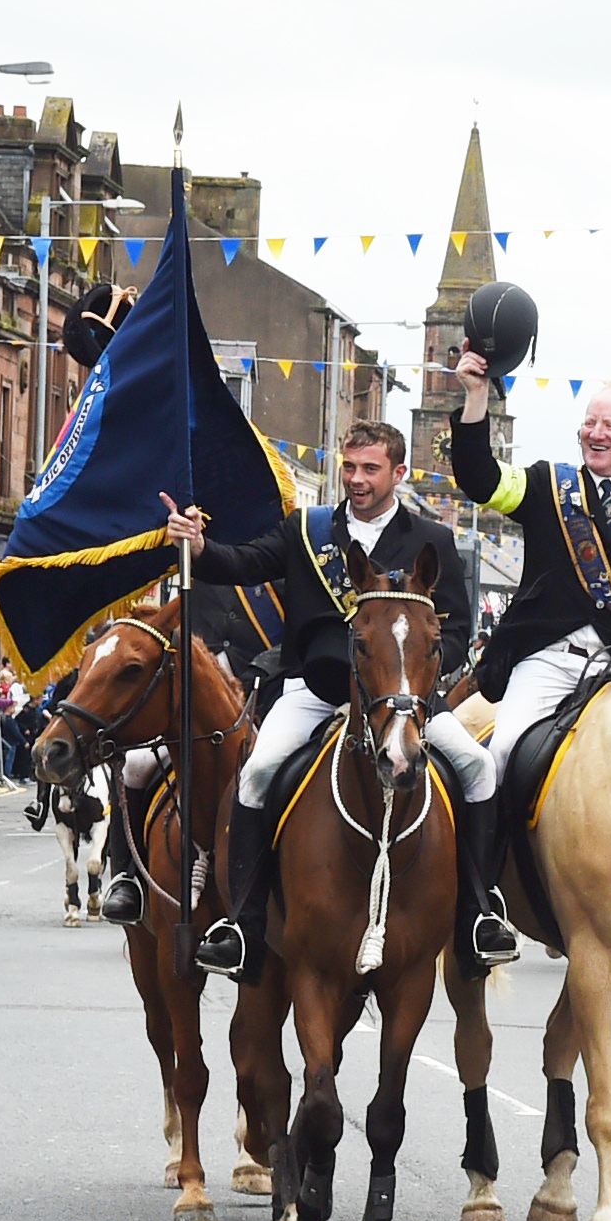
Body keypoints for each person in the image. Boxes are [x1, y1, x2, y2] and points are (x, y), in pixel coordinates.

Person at [141, 419, 517, 984]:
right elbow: (246, 562)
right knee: (258, 772)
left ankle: (477, 913)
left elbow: (457, 631)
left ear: (398, 473)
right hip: (316, 692)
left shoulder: (432, 541)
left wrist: (420, 677)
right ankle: (243, 923)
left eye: (370, 469)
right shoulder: (307, 530)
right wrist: (199, 546)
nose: (357, 479)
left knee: (477, 765)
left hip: (405, 702)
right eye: (350, 467)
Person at [449, 356, 611, 772]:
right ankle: (491, 840)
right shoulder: (544, 484)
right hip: (546, 659)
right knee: (503, 752)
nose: (595, 433)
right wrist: (476, 395)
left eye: (609, 425)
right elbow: (479, 478)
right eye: (590, 423)